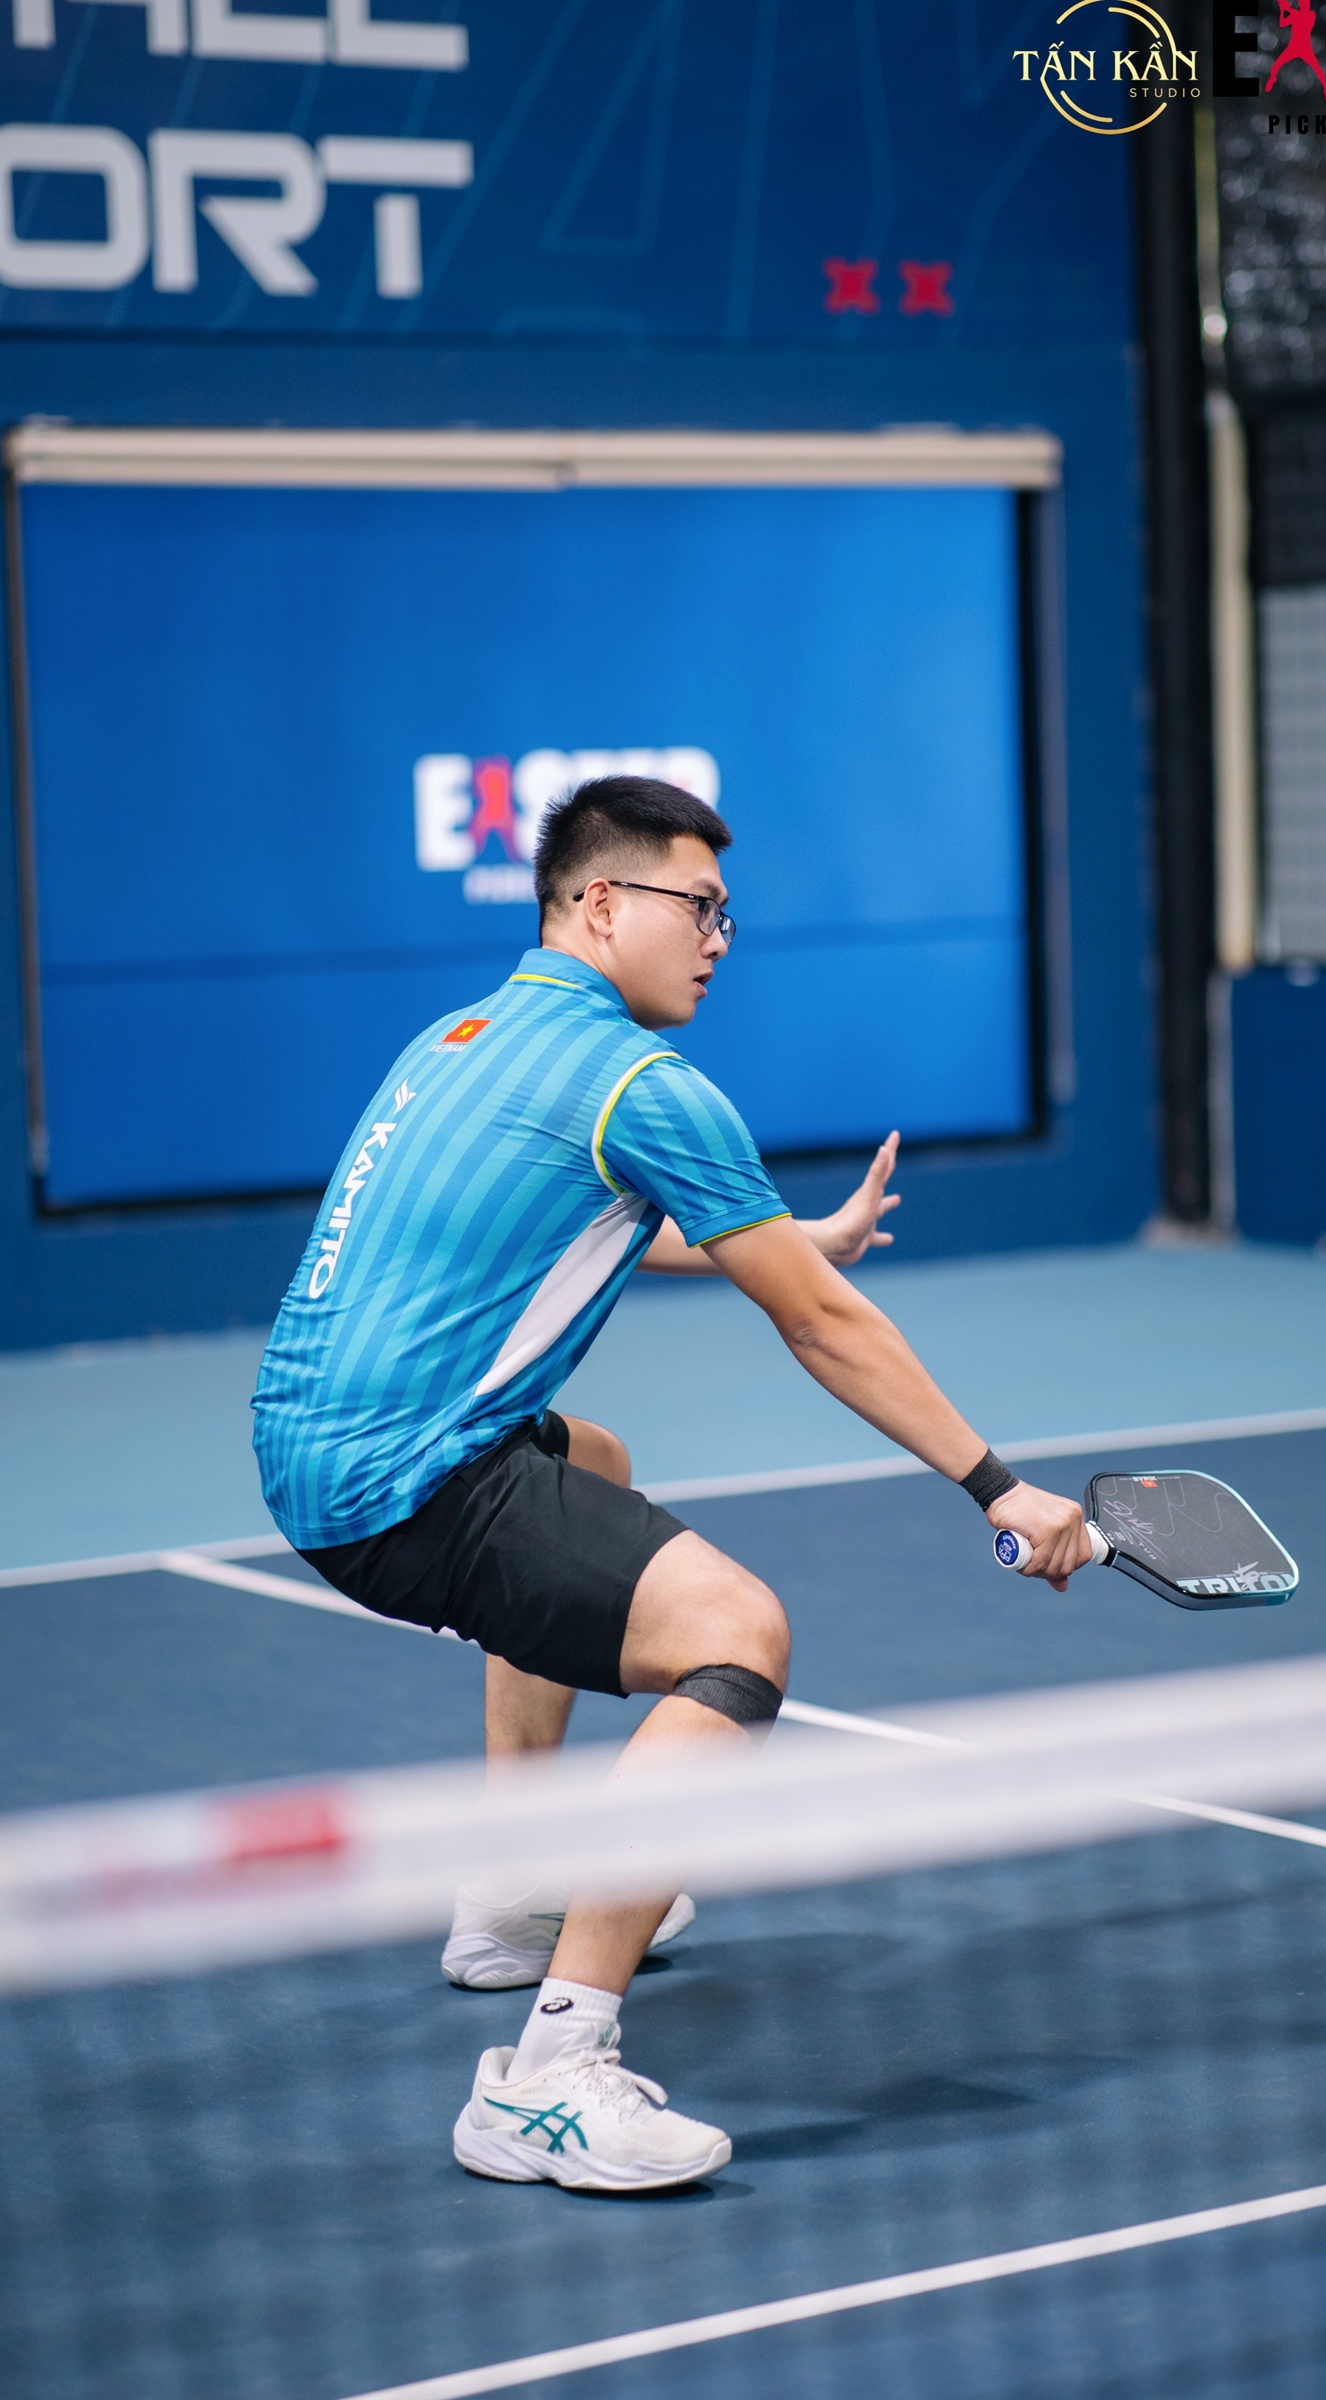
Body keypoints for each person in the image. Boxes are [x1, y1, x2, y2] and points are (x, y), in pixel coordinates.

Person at [252, 775, 1091, 2194]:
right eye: (696, 907)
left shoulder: (464, 1038)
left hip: (308, 1442)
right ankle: (549, 2075)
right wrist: (995, 1487)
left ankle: (515, 1881)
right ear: (600, 903)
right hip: (401, 1482)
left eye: (724, 915)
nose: (716, 940)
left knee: (594, 1462)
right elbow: (820, 1326)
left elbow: (550, 1218)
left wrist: (789, 1232)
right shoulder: (639, 1084)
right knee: (737, 1633)